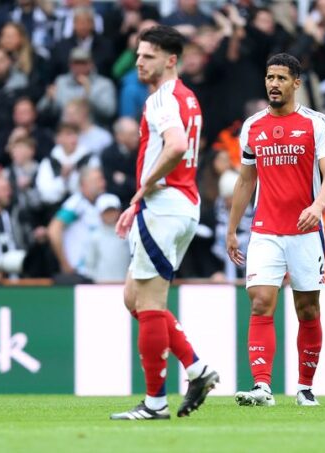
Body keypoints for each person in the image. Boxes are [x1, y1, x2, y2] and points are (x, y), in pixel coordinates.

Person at [110, 25, 219, 421]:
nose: (139, 62)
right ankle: (196, 367)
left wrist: (143, 188)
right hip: (180, 205)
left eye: (148, 56)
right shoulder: (188, 98)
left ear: (170, 60)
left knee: (151, 303)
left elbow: (175, 146)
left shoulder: (161, 99)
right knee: (133, 299)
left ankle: (155, 402)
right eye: (138, 55)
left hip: (164, 205)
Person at [227, 53, 325, 407]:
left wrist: (317, 206)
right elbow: (246, 180)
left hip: (306, 231)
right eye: (269, 77)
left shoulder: (315, 123)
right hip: (265, 230)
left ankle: (305, 387)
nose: (273, 84)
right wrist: (232, 230)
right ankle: (262, 386)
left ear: (296, 83)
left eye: (280, 78)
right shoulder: (253, 126)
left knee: (307, 309)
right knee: (261, 302)